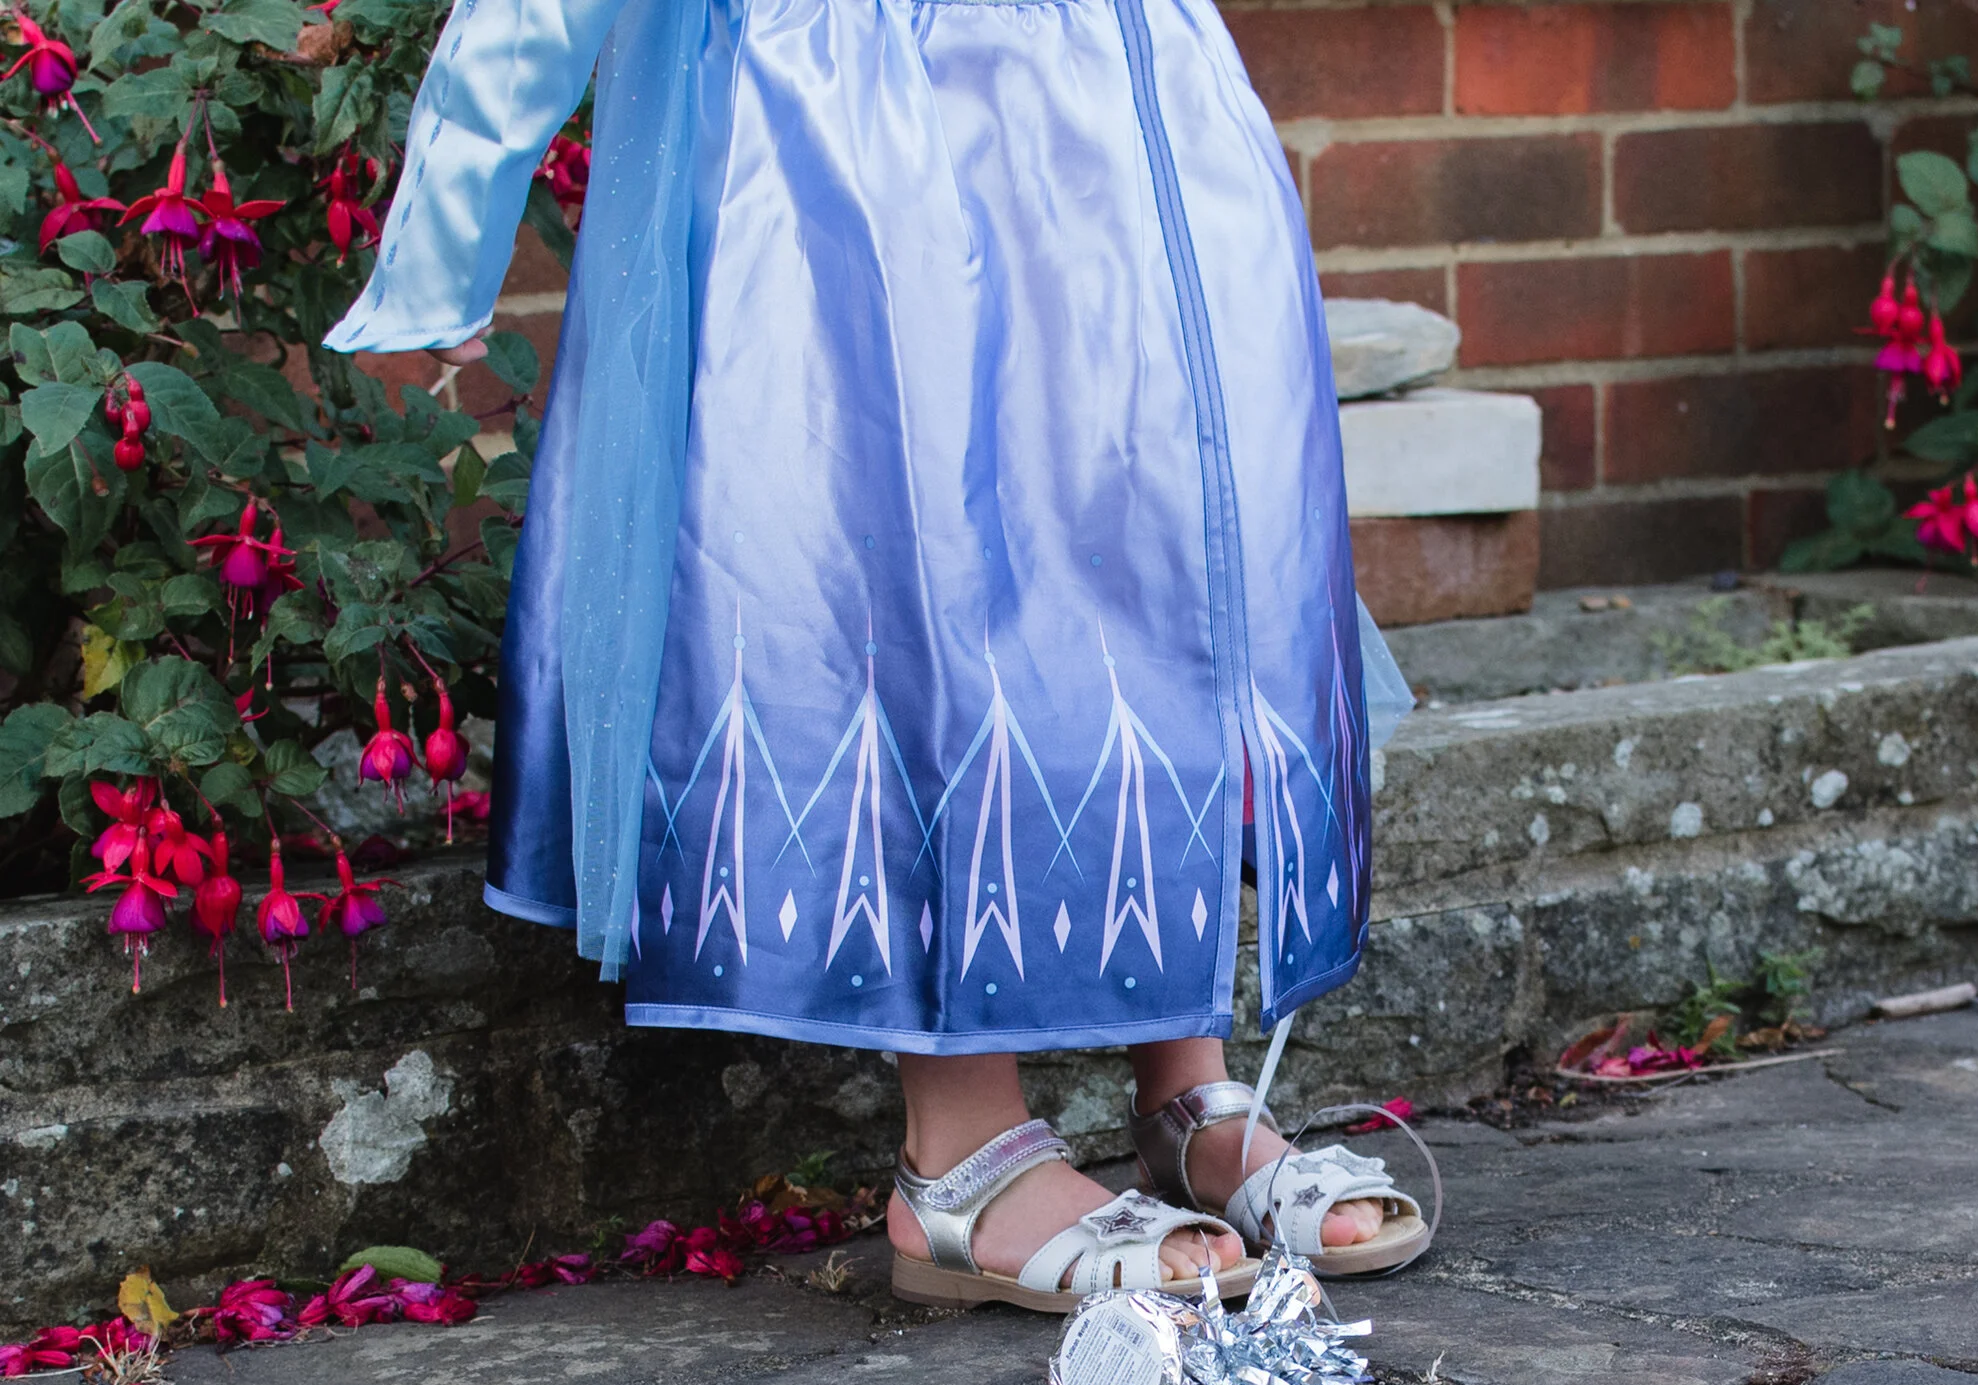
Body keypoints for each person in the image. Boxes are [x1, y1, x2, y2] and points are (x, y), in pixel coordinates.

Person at [327, 0, 1431, 1309]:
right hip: (856, 106)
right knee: (927, 563)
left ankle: (1183, 1088)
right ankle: (960, 1151)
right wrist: (456, 199)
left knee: (1146, 534)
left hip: (1119, 79)